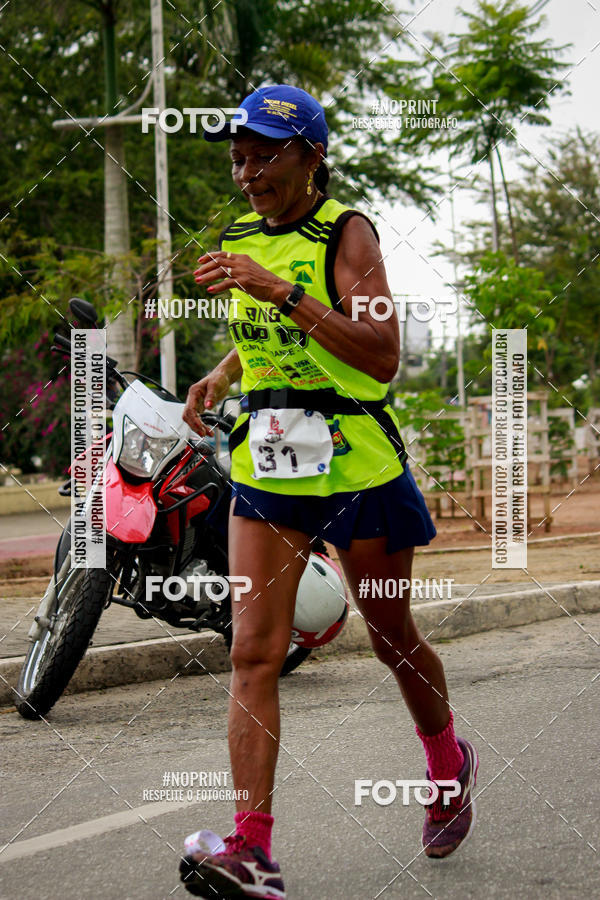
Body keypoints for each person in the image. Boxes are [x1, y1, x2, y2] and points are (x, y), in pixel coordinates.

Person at [179, 84, 478, 899]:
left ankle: (447, 763)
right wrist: (221, 373)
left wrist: (278, 289)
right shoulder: (242, 237)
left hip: (357, 467)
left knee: (391, 636)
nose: (248, 174)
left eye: (264, 156)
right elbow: (266, 333)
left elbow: (380, 352)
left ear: (311, 155)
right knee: (253, 651)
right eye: (238, 159)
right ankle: (251, 850)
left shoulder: (349, 234)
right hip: (270, 464)